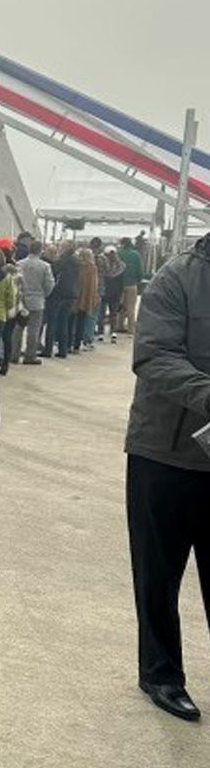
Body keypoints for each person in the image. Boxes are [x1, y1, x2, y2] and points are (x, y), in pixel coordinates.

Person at [124, 231, 210, 722]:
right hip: (165, 453)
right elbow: (154, 356)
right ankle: (160, 672)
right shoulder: (177, 278)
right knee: (159, 573)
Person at [13, 240, 53, 365]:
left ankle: (14, 354)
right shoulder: (45, 266)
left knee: (18, 328)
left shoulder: (19, 264)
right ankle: (30, 355)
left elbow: (15, 282)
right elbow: (49, 284)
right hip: (37, 300)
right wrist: (44, 294)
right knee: (34, 329)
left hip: (21, 300)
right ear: (40, 251)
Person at [41, 242, 79, 359]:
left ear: (65, 249)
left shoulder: (63, 260)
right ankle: (63, 350)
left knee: (52, 322)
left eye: (61, 247)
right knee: (64, 322)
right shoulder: (76, 262)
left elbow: (53, 271)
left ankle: (48, 349)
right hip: (71, 294)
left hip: (58, 293)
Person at [72, 247, 99, 352]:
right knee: (82, 321)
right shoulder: (92, 268)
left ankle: (70, 342)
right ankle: (77, 345)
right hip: (86, 297)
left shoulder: (77, 266)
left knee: (72, 321)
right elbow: (94, 285)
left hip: (75, 296)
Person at [118, 237, 145, 333]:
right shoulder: (136, 255)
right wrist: (139, 280)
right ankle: (131, 328)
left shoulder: (118, 253)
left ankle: (119, 326)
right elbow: (140, 270)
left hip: (119, 285)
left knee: (120, 306)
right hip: (132, 284)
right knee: (131, 307)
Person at [102, 246, 124, 342]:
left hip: (105, 291)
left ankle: (100, 332)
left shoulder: (103, 266)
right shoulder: (122, 267)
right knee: (113, 313)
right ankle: (113, 332)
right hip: (116, 292)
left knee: (102, 313)